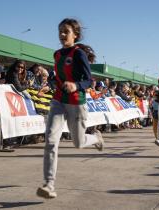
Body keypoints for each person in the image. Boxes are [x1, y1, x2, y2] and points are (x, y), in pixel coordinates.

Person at [37, 18, 104, 199]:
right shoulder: (57, 54)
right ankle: (49, 184)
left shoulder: (78, 54)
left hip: (76, 102)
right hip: (58, 100)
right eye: (60, 31)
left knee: (78, 143)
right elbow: (58, 78)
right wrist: (50, 83)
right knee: (51, 140)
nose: (62, 34)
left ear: (75, 34)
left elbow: (89, 80)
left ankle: (96, 138)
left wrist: (76, 85)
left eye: (66, 31)